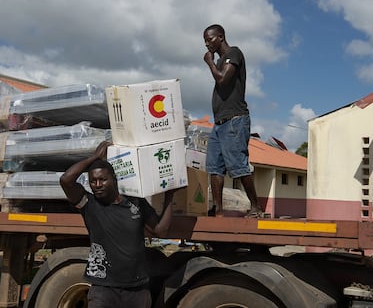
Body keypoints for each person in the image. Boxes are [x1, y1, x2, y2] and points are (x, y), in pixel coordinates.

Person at [60, 141, 178, 308]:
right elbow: (66, 180)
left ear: (114, 180)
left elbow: (160, 231)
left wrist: (169, 196)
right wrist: (95, 157)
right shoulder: (89, 204)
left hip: (138, 290)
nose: (98, 185)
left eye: (103, 179)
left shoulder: (136, 202)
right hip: (104, 289)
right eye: (93, 181)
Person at [203, 24, 262, 217]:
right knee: (214, 167)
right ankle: (218, 210)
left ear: (220, 37)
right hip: (219, 123)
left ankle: (256, 207)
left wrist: (210, 63)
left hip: (235, 120)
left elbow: (222, 79)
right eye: (205, 40)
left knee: (238, 165)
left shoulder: (233, 54)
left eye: (210, 39)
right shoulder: (220, 60)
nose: (207, 44)